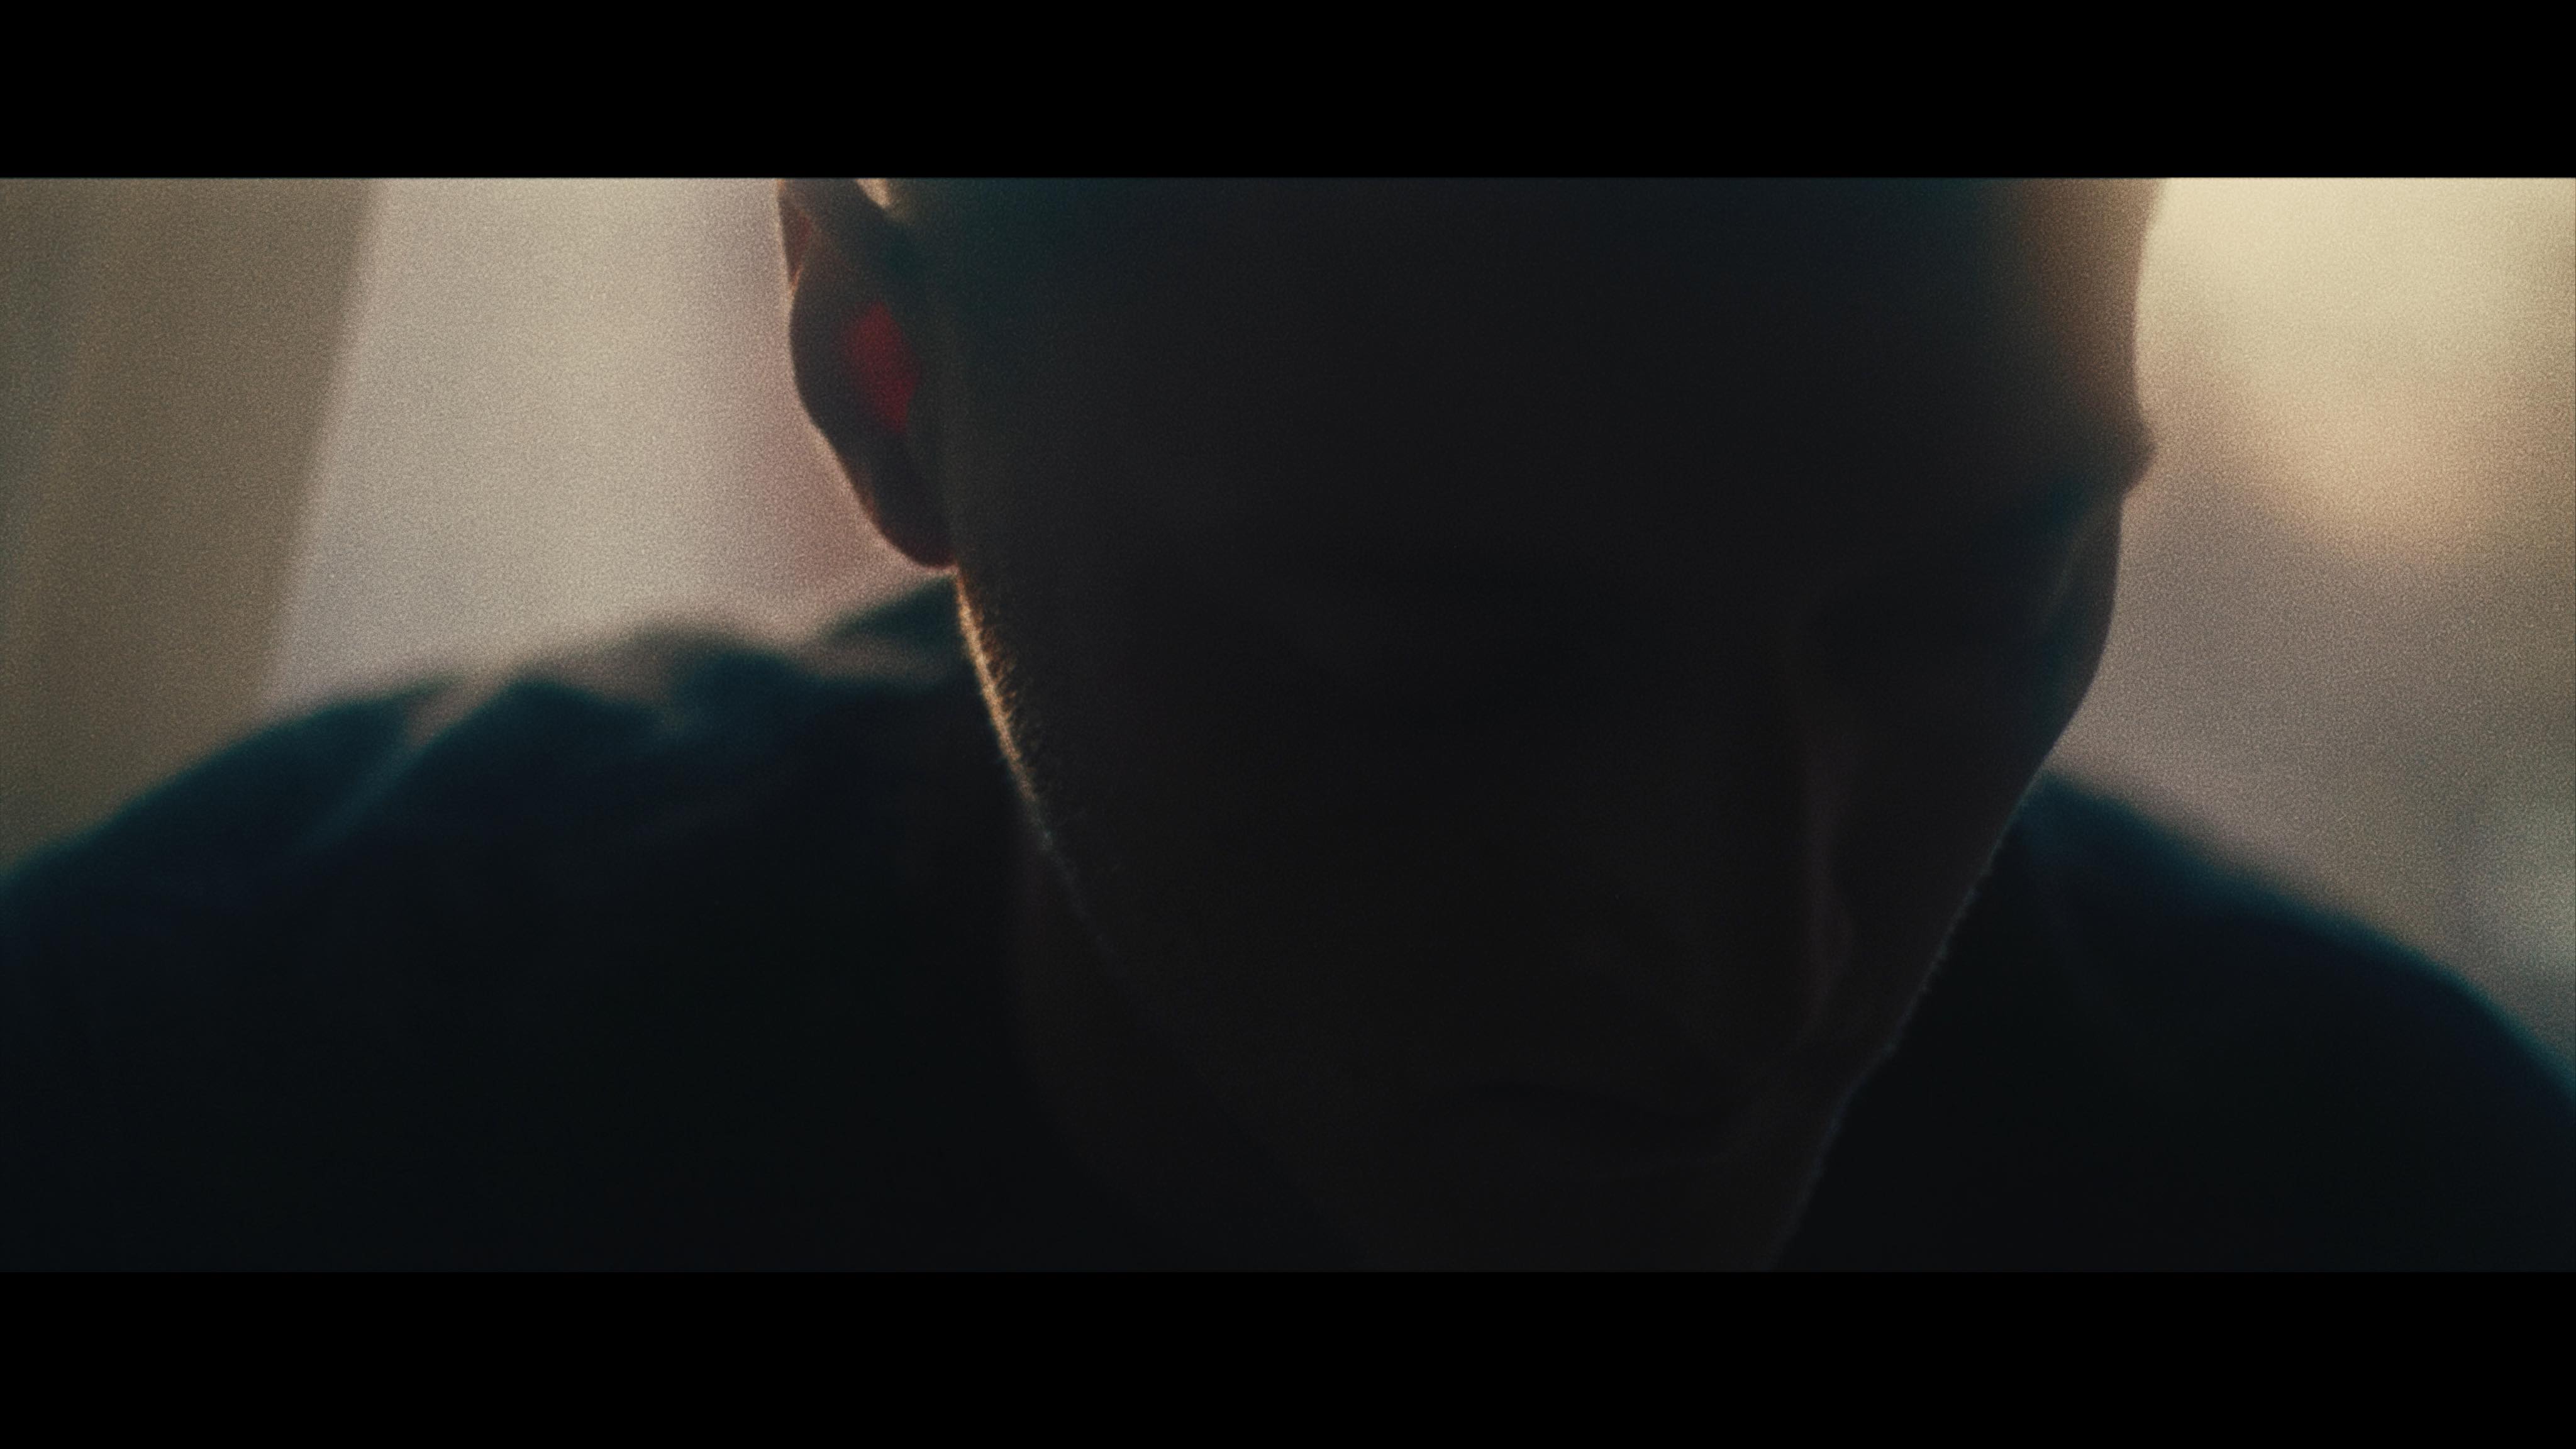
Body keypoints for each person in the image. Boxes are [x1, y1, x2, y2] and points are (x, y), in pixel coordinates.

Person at [1, 179, 2568, 1269]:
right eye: (1437, 662)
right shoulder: (205, 1136)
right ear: (889, 376)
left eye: (1978, 607)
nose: (1764, 944)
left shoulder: (2411, 1209)